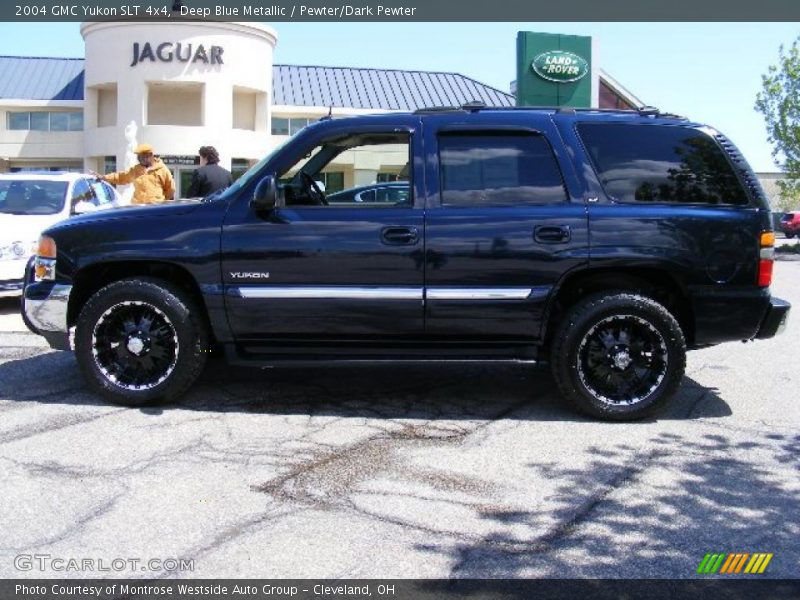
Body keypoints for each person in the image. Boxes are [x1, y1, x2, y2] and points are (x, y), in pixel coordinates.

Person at [92, 143, 175, 205]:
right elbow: (121, 177)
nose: (139, 159)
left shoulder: (162, 169)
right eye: (138, 157)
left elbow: (170, 189)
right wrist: (104, 177)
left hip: (155, 208)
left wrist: (160, 201)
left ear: (150, 155)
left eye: (142, 157)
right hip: (138, 208)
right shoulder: (136, 170)